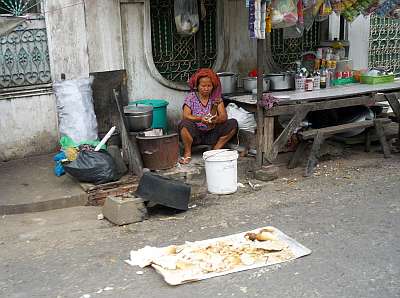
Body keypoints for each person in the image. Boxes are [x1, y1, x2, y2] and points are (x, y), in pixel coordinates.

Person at [178, 68, 238, 164]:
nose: (206, 88)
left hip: (212, 133)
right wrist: (200, 119)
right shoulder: (191, 97)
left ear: (213, 86)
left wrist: (215, 120)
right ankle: (187, 153)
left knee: (233, 123)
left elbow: (223, 117)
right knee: (184, 124)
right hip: (196, 134)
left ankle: (214, 151)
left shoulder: (216, 98)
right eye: (203, 86)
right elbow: (186, 115)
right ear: (197, 86)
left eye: (209, 86)